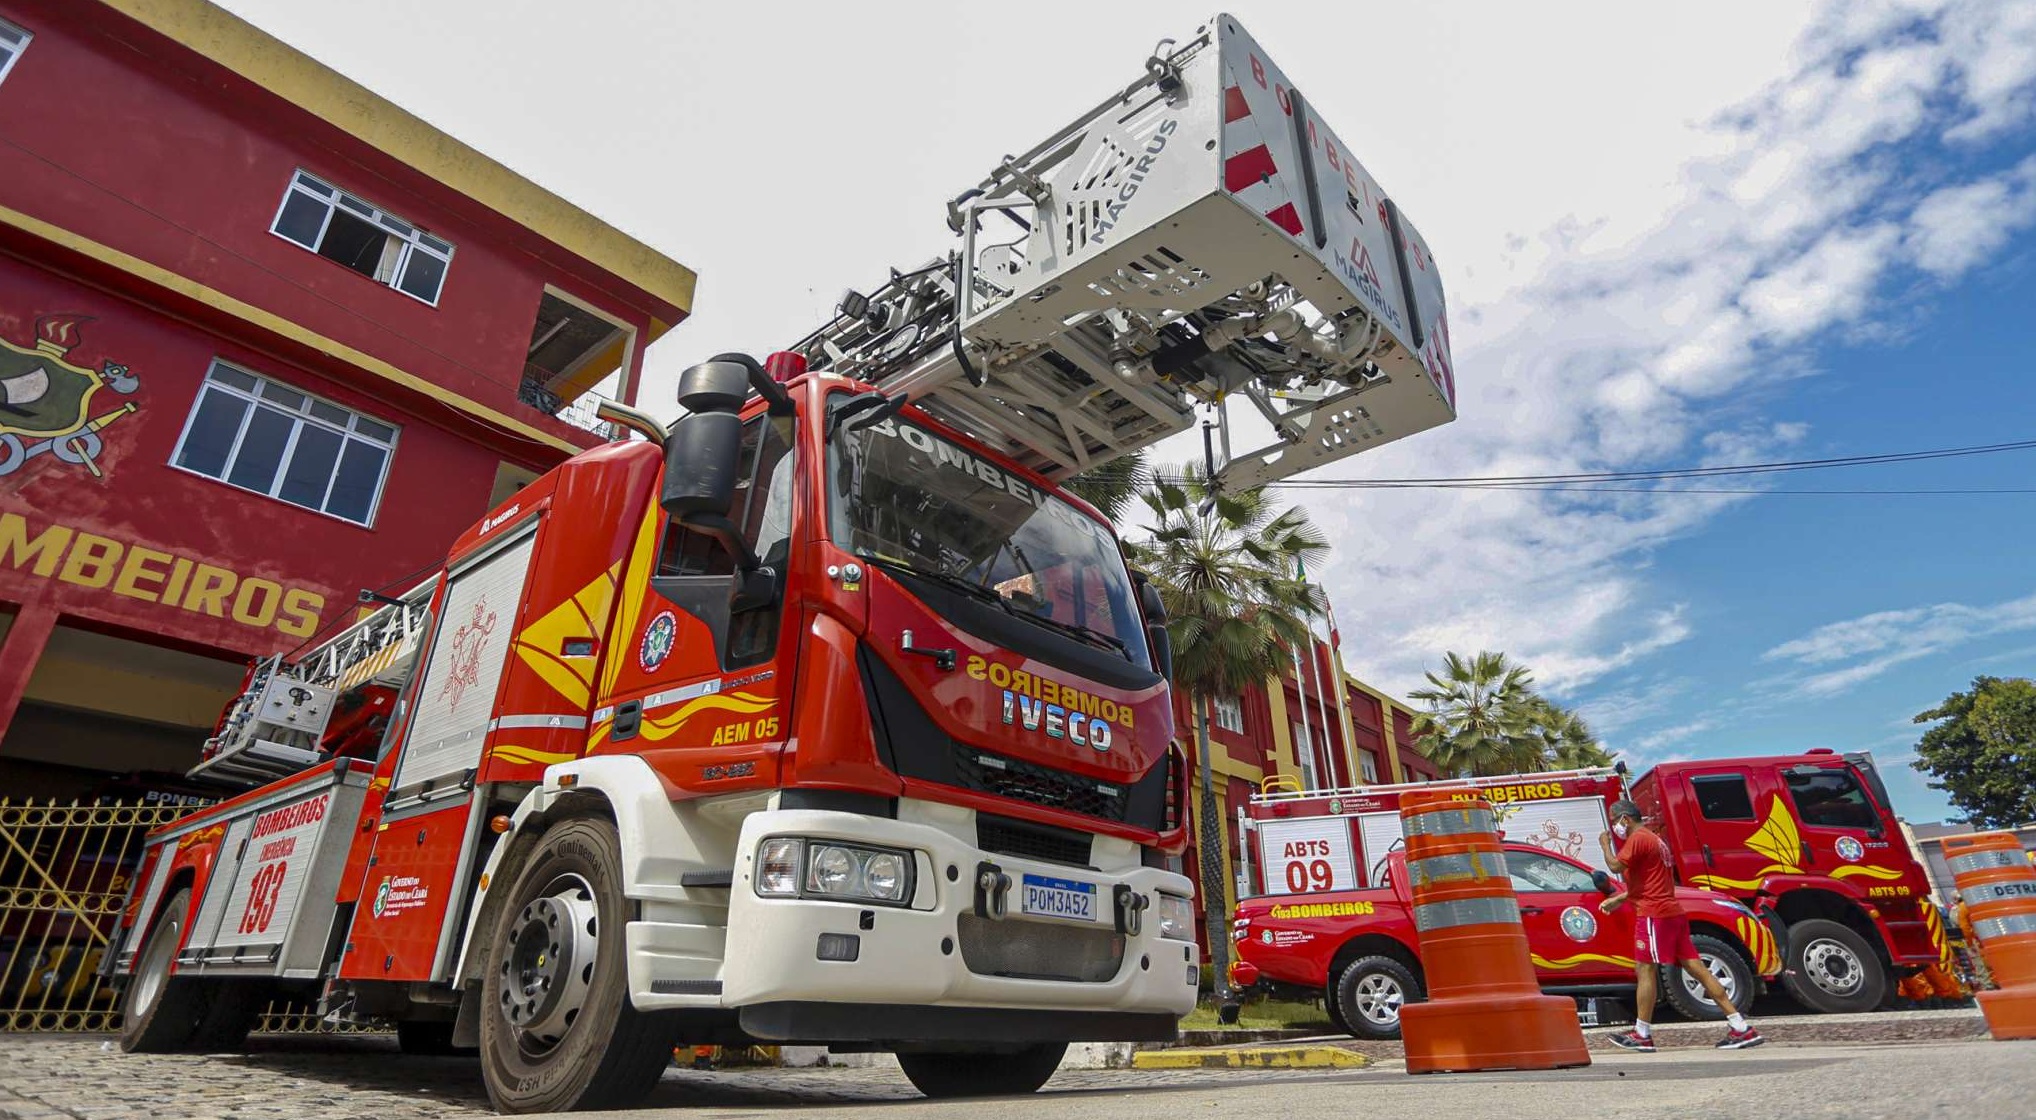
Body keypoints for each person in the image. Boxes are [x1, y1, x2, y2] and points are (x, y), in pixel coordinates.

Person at [1597, 800, 1764, 1052]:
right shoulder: (1655, 841)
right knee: (1697, 968)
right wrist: (1620, 899)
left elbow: (1615, 866)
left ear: (1625, 819)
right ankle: (1740, 1026)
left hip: (1654, 914)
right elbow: (1650, 882)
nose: (1614, 826)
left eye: (1614, 820)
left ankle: (1642, 1033)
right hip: (1672, 912)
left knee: (1645, 968)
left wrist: (1604, 845)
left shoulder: (1638, 839)